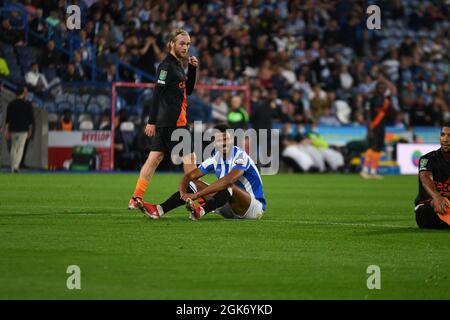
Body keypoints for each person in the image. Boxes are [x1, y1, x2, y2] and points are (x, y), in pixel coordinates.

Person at [128, 28, 199, 211]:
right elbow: (157, 93)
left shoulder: (178, 66)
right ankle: (198, 200)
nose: (186, 47)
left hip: (170, 123)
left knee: (154, 159)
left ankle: (136, 197)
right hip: (175, 123)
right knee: (190, 160)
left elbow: (188, 91)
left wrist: (192, 69)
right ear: (171, 44)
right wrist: (151, 121)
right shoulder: (167, 66)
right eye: (182, 43)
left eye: (188, 44)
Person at [135, 124, 266, 220]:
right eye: (220, 140)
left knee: (228, 184)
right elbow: (189, 176)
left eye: (226, 139)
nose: (224, 143)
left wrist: (196, 196)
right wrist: (183, 192)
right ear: (214, 143)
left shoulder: (241, 156)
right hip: (229, 207)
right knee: (194, 183)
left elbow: (228, 181)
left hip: (253, 209)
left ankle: (201, 211)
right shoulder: (215, 157)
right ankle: (159, 210)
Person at [414, 123, 450, 229]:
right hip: (428, 207)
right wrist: (437, 197)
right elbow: (425, 179)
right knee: (441, 204)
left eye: (449, 136)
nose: (445, 139)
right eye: (443, 135)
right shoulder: (428, 159)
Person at [360, 81, 391, 179]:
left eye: (384, 88)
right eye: (381, 88)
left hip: (381, 127)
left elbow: (388, 114)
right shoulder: (371, 99)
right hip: (373, 126)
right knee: (371, 147)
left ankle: (373, 171)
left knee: (378, 148)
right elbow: (368, 114)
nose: (383, 90)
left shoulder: (385, 100)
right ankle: (364, 170)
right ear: (377, 89)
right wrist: (369, 128)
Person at [4, 86, 34, 173]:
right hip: (23, 130)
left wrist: (6, 130)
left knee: (13, 147)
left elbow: (7, 119)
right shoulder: (27, 104)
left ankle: (13, 167)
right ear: (22, 94)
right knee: (20, 148)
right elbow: (30, 119)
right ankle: (16, 166)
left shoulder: (11, 104)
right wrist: (30, 130)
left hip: (13, 129)